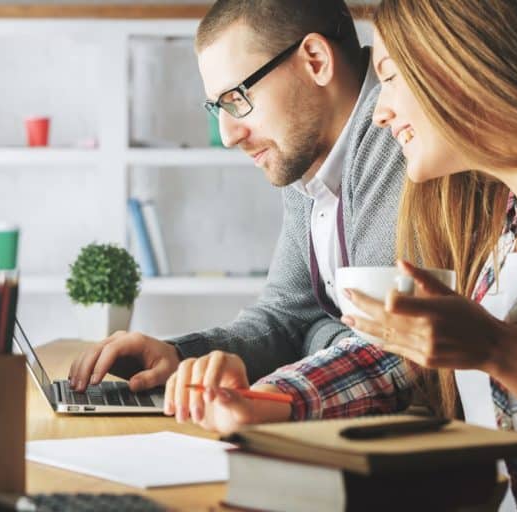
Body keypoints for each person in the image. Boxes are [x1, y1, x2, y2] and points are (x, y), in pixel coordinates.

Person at [169, 0, 517, 509]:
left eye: (389, 78)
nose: (378, 112)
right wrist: (265, 399)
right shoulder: (505, 219)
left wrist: (502, 353)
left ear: (461, 69)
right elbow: (399, 357)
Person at [67, 0, 406, 398]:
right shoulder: (308, 154)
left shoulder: (397, 132)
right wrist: (178, 355)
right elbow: (285, 319)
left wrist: (317, 334)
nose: (228, 135)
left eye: (237, 98)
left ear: (315, 61)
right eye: (219, 107)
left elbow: (385, 353)